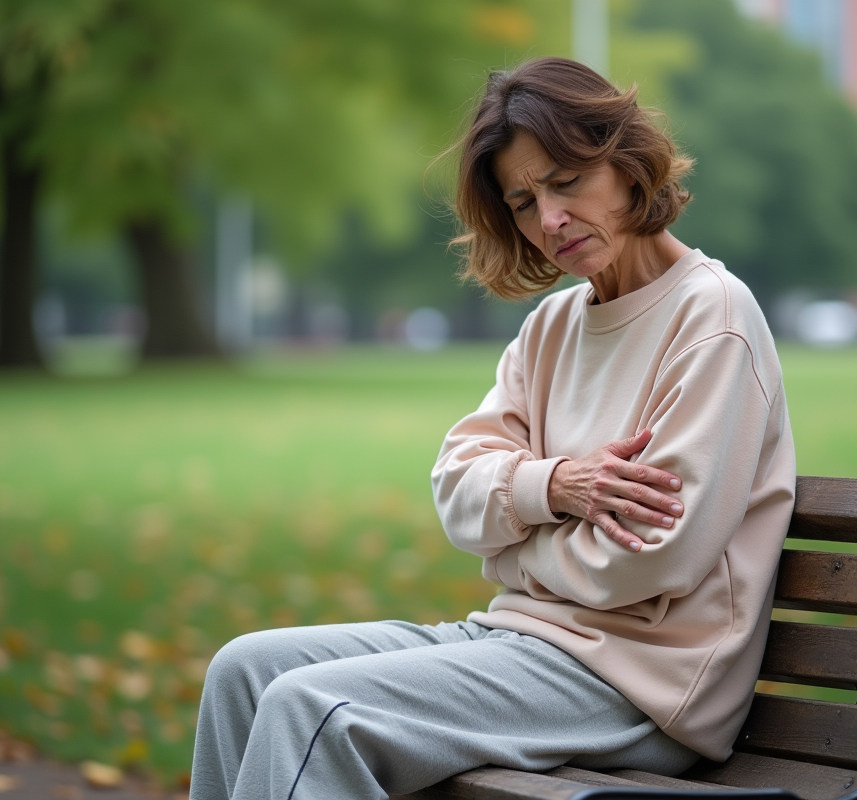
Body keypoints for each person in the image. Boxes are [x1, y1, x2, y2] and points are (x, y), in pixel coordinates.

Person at [189, 57, 795, 800]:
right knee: (243, 671)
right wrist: (554, 487)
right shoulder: (554, 326)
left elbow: (649, 559)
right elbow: (455, 485)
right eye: (522, 201)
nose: (548, 220)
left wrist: (510, 553)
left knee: (310, 711)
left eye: (566, 182)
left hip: (639, 684)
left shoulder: (714, 320)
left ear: (629, 164)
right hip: (520, 644)